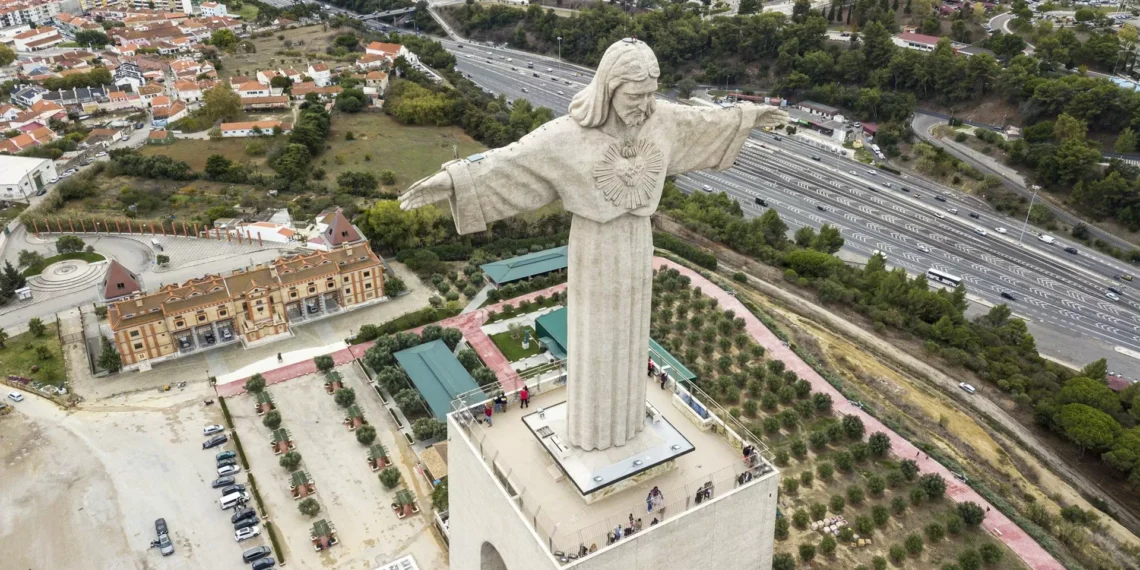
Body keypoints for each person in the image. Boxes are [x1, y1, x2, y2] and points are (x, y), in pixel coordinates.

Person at [399, 37, 787, 452]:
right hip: (595, 248)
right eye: (635, 96)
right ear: (609, 89)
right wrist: (453, 180)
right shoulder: (568, 136)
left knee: (632, 335)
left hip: (637, 242)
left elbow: (706, 123)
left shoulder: (662, 121)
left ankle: (628, 425)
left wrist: (748, 116)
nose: (645, 105)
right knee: (595, 339)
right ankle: (592, 433)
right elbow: (510, 161)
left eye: (651, 94)